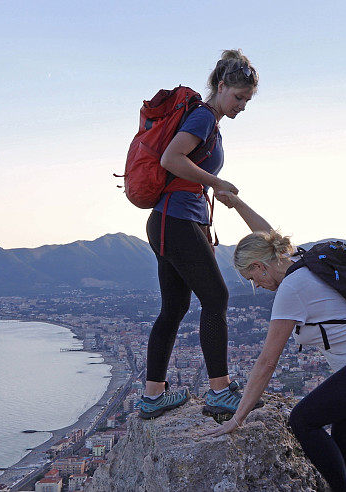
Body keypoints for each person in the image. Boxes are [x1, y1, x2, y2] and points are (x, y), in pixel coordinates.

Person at [204, 192, 346, 492]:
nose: (256, 285)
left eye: (252, 277)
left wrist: (239, 417)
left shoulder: (292, 288)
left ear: (261, 266)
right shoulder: (299, 259)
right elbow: (268, 235)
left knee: (302, 422)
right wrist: (237, 205)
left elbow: (267, 360)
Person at [136, 50, 260, 420]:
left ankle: (153, 396)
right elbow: (171, 160)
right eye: (238, 96)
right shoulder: (204, 116)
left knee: (174, 308)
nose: (241, 105)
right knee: (217, 297)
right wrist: (216, 181)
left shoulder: (207, 120)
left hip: (172, 220)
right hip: (175, 220)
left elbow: (181, 167)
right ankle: (220, 391)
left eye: (247, 100)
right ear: (220, 86)